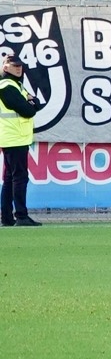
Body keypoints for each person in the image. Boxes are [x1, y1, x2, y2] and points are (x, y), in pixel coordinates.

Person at [0, 46, 40, 226]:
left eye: (20, 65)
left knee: (10, 178)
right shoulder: (7, 86)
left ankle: (7, 218)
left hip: (13, 137)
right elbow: (28, 110)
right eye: (14, 65)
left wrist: (32, 103)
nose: (18, 68)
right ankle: (21, 216)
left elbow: (35, 102)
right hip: (14, 138)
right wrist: (31, 104)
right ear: (5, 67)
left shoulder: (16, 85)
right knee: (19, 177)